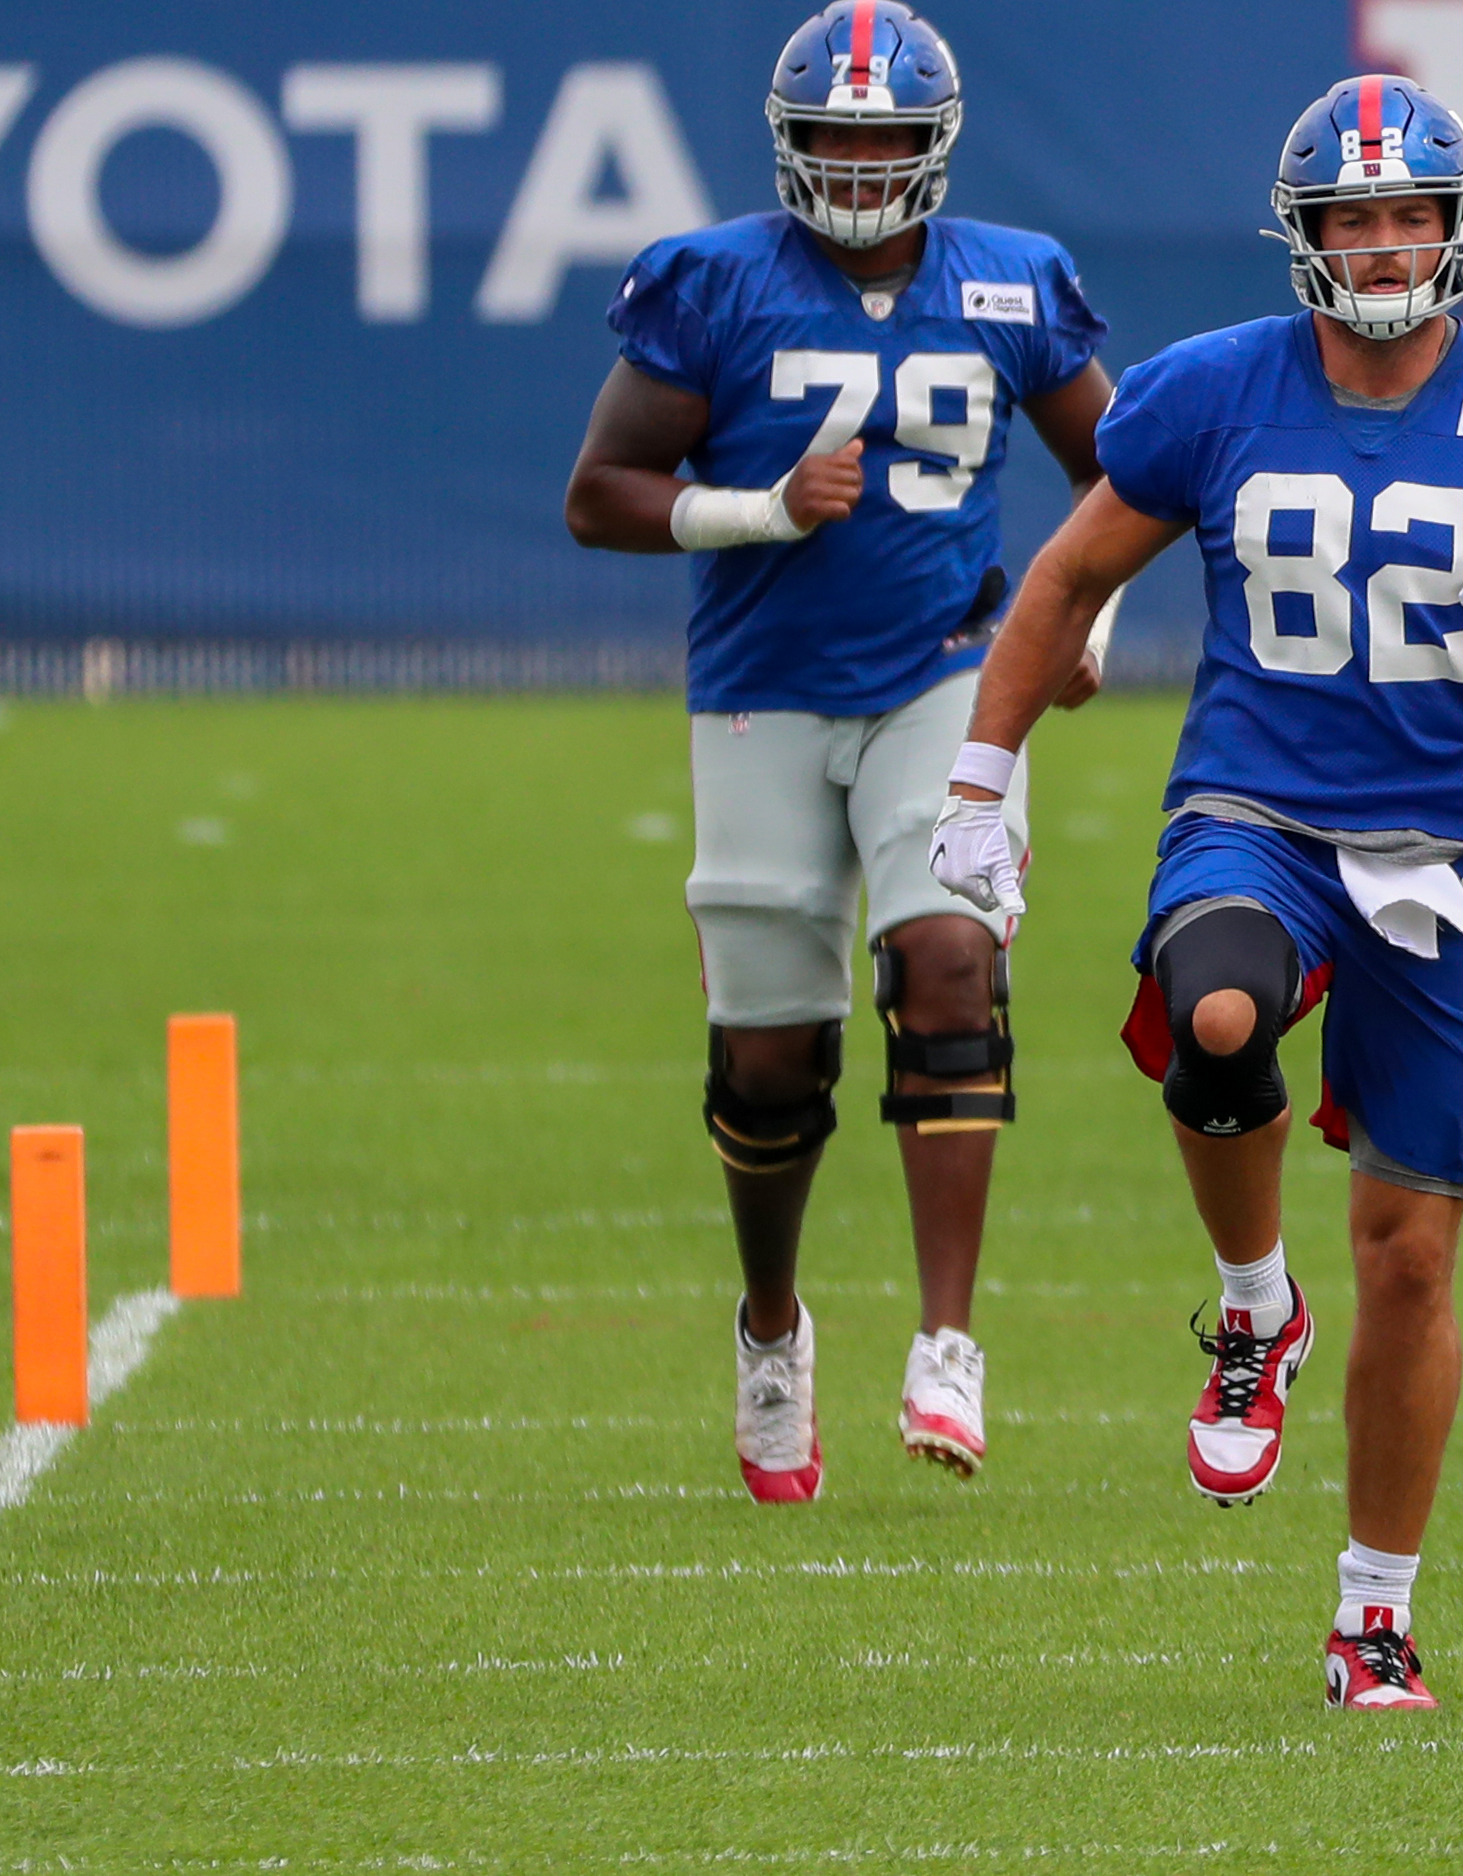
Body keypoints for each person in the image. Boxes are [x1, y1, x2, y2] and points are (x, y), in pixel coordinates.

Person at [928, 74, 1463, 1709]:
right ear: (1304, 236)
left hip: (1455, 860)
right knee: (1221, 1007)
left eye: (1410, 214)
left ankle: (1373, 1613)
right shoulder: (1211, 391)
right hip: (1256, 812)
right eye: (1354, 217)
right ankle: (1253, 1300)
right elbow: (1065, 580)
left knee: (1409, 1255)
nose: (1386, 243)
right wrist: (980, 775)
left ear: (1457, 229)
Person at [563, 0, 1119, 1503]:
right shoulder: (715, 283)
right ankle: (769, 1325)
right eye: (835, 138)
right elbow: (601, 490)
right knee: (767, 1054)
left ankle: (948, 1340)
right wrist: (756, 508)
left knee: (947, 960)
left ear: (933, 144)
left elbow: (1129, 475)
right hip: (759, 685)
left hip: (944, 676)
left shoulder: (1014, 283)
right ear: (789, 144)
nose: (862, 166)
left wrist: (1087, 625)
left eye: (885, 138)